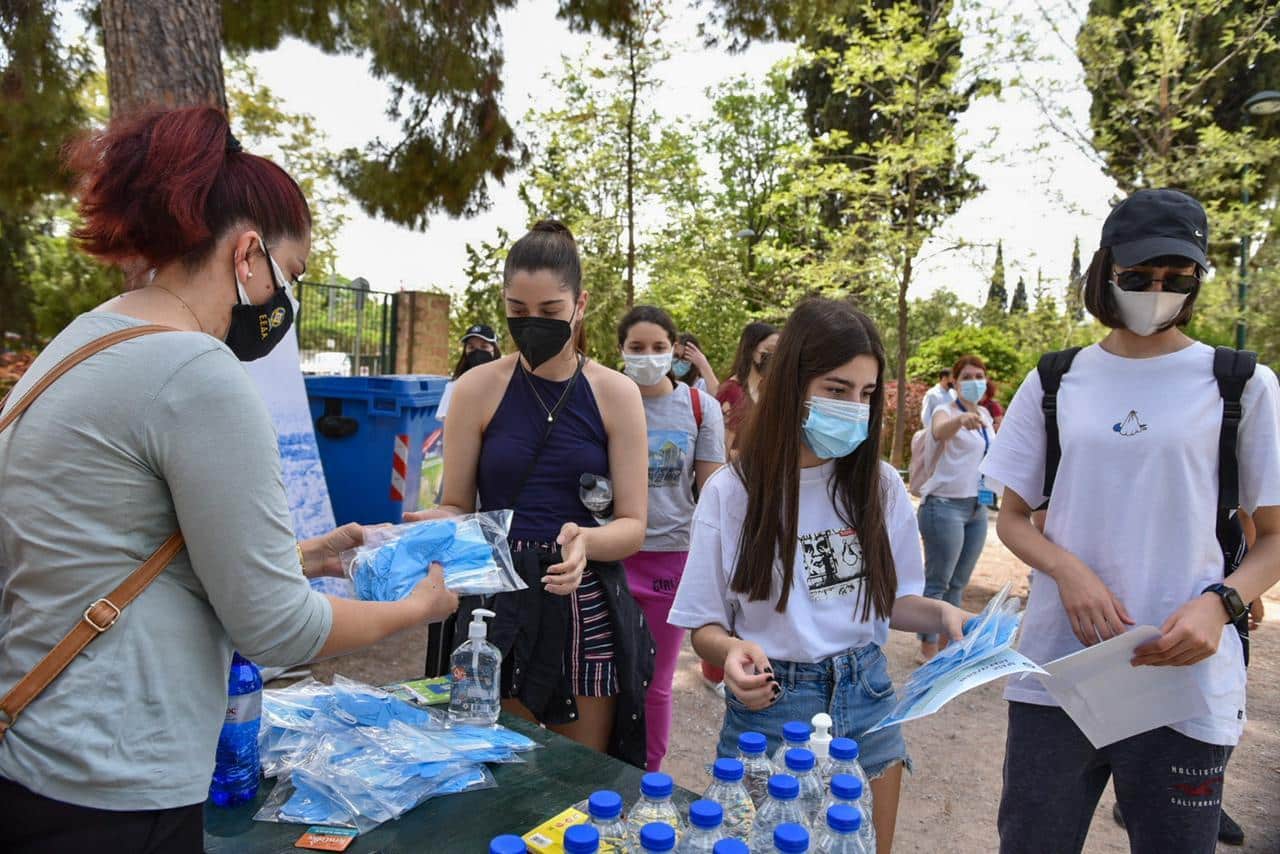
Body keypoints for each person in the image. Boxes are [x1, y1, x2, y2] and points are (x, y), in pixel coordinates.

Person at [0, 107, 460, 853]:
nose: (289, 301)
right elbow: (278, 628)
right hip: (117, 789)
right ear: (248, 255)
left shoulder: (81, 344)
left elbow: (117, 538)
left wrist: (308, 553)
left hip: (35, 759)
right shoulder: (195, 370)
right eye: (293, 275)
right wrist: (417, 607)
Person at [981, 188, 1280, 854]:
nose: (1156, 290)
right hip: (1061, 671)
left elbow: (1274, 536)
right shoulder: (1055, 380)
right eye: (1138, 275)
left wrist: (1222, 603)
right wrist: (1069, 571)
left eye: (1177, 278)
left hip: (1184, 678)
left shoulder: (1242, 384)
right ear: (1106, 271)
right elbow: (1013, 518)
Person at [669, 297, 974, 852]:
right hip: (773, 707)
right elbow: (704, 626)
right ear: (791, 386)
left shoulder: (879, 487)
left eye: (866, 393)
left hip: (868, 696)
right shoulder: (733, 493)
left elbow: (894, 602)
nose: (854, 407)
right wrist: (730, 652)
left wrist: (942, 613)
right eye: (836, 390)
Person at [407, 221, 653, 764]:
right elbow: (457, 504)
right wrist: (427, 525)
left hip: (582, 600)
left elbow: (633, 524)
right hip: (493, 603)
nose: (531, 324)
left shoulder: (617, 394)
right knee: (498, 770)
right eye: (517, 312)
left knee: (581, 781)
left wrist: (587, 541)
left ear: (580, 304)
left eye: (548, 311)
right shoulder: (475, 389)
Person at [617, 306, 726, 772]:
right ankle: (604, 767)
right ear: (620, 351)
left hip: (671, 561)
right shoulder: (604, 400)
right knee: (604, 677)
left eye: (658, 347)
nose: (647, 357)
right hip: (611, 556)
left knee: (657, 683)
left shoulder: (701, 408)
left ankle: (649, 775)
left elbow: (715, 490)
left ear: (674, 351)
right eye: (636, 348)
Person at [915, 355, 996, 664]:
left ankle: (950, 648)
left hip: (977, 506)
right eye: (968, 376)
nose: (975, 381)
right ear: (955, 381)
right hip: (944, 505)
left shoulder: (986, 415)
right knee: (938, 581)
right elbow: (938, 431)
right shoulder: (944, 411)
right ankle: (928, 648)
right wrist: (960, 420)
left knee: (958, 583)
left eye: (980, 375)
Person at [716, 321, 779, 454]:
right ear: (751, 350)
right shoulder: (731, 391)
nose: (775, 358)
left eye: (778, 352)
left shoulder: (769, 392)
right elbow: (723, 448)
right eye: (769, 351)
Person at [436, 324, 501, 421]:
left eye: (484, 346)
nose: (477, 352)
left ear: (494, 350)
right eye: (471, 347)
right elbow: (449, 428)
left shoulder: (507, 384)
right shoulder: (455, 386)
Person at [672, 331, 720, 396]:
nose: (679, 361)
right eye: (676, 356)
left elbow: (718, 397)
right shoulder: (660, 381)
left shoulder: (701, 385)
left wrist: (703, 365)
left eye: (685, 358)